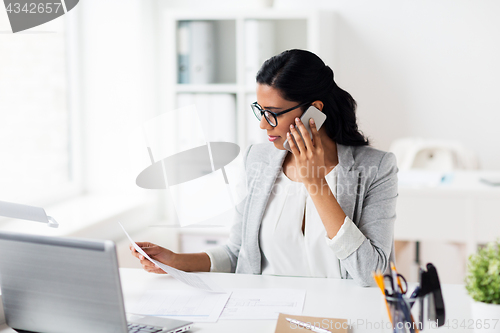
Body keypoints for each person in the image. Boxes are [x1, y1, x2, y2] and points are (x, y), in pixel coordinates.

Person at [130, 49, 398, 287]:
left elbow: (372, 273)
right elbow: (238, 254)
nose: (263, 124)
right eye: (260, 110)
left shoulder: (376, 168)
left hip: (339, 318)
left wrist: (315, 183)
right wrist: (176, 261)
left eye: (274, 113)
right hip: (265, 314)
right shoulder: (257, 159)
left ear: (314, 111)